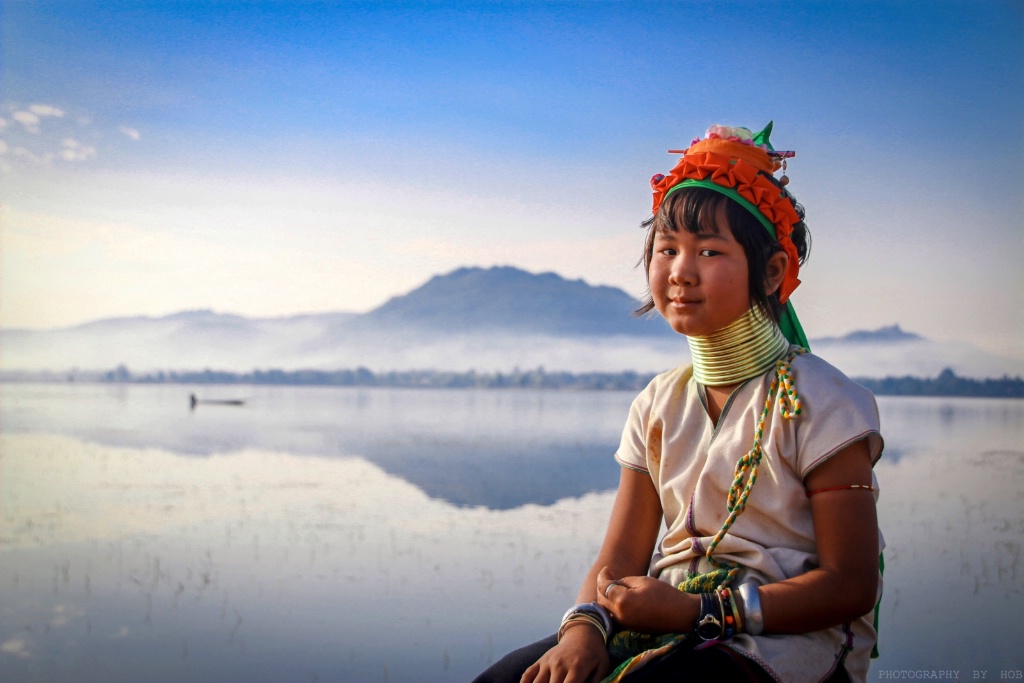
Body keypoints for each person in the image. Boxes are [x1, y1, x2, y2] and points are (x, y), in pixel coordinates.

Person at [473, 122, 884, 683]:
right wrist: (584, 629)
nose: (680, 272)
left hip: (788, 644)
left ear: (772, 273)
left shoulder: (827, 404)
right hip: (662, 617)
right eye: (667, 249)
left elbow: (851, 585)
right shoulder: (658, 402)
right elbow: (618, 560)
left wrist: (701, 612)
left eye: (709, 250)